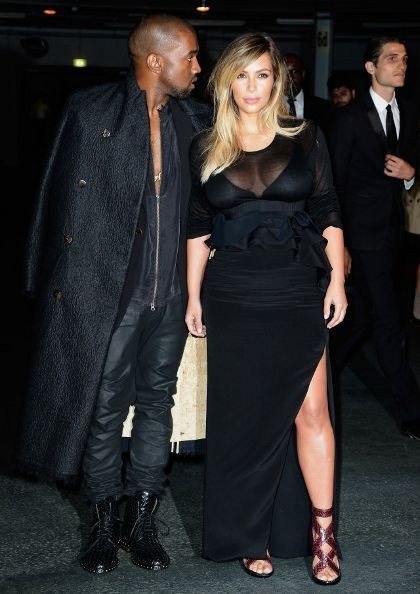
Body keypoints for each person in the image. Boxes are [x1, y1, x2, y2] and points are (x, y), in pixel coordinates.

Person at [17, 14, 210, 574]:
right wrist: (45, 279)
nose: (198, 67)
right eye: (190, 56)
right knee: (102, 411)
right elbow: (56, 199)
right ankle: (102, 524)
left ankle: (141, 522)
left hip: (170, 295)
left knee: (157, 407)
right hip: (108, 295)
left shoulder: (196, 120)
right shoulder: (92, 111)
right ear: (155, 60)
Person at [186, 32, 346, 585]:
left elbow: (327, 209)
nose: (251, 87)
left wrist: (337, 281)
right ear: (225, 81)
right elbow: (197, 227)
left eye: (262, 75)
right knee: (246, 418)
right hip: (233, 292)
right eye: (241, 75)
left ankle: (323, 532)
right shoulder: (205, 145)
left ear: (277, 80)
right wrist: (192, 296)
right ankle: (250, 535)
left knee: (312, 410)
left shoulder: (306, 136)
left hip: (298, 286)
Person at [329, 36, 420, 440]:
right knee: (388, 321)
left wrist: (411, 175)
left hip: (392, 235)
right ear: (370, 67)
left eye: (405, 59)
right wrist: (340, 244)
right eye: (392, 58)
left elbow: (411, 168)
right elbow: (333, 184)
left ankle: (317, 379)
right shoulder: (350, 118)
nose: (402, 65)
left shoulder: (410, 112)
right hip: (359, 237)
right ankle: (411, 411)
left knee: (362, 318)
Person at [283, 52, 334, 138]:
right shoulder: (268, 107)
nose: (289, 78)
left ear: (303, 74)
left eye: (294, 72)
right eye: (284, 73)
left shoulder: (324, 108)